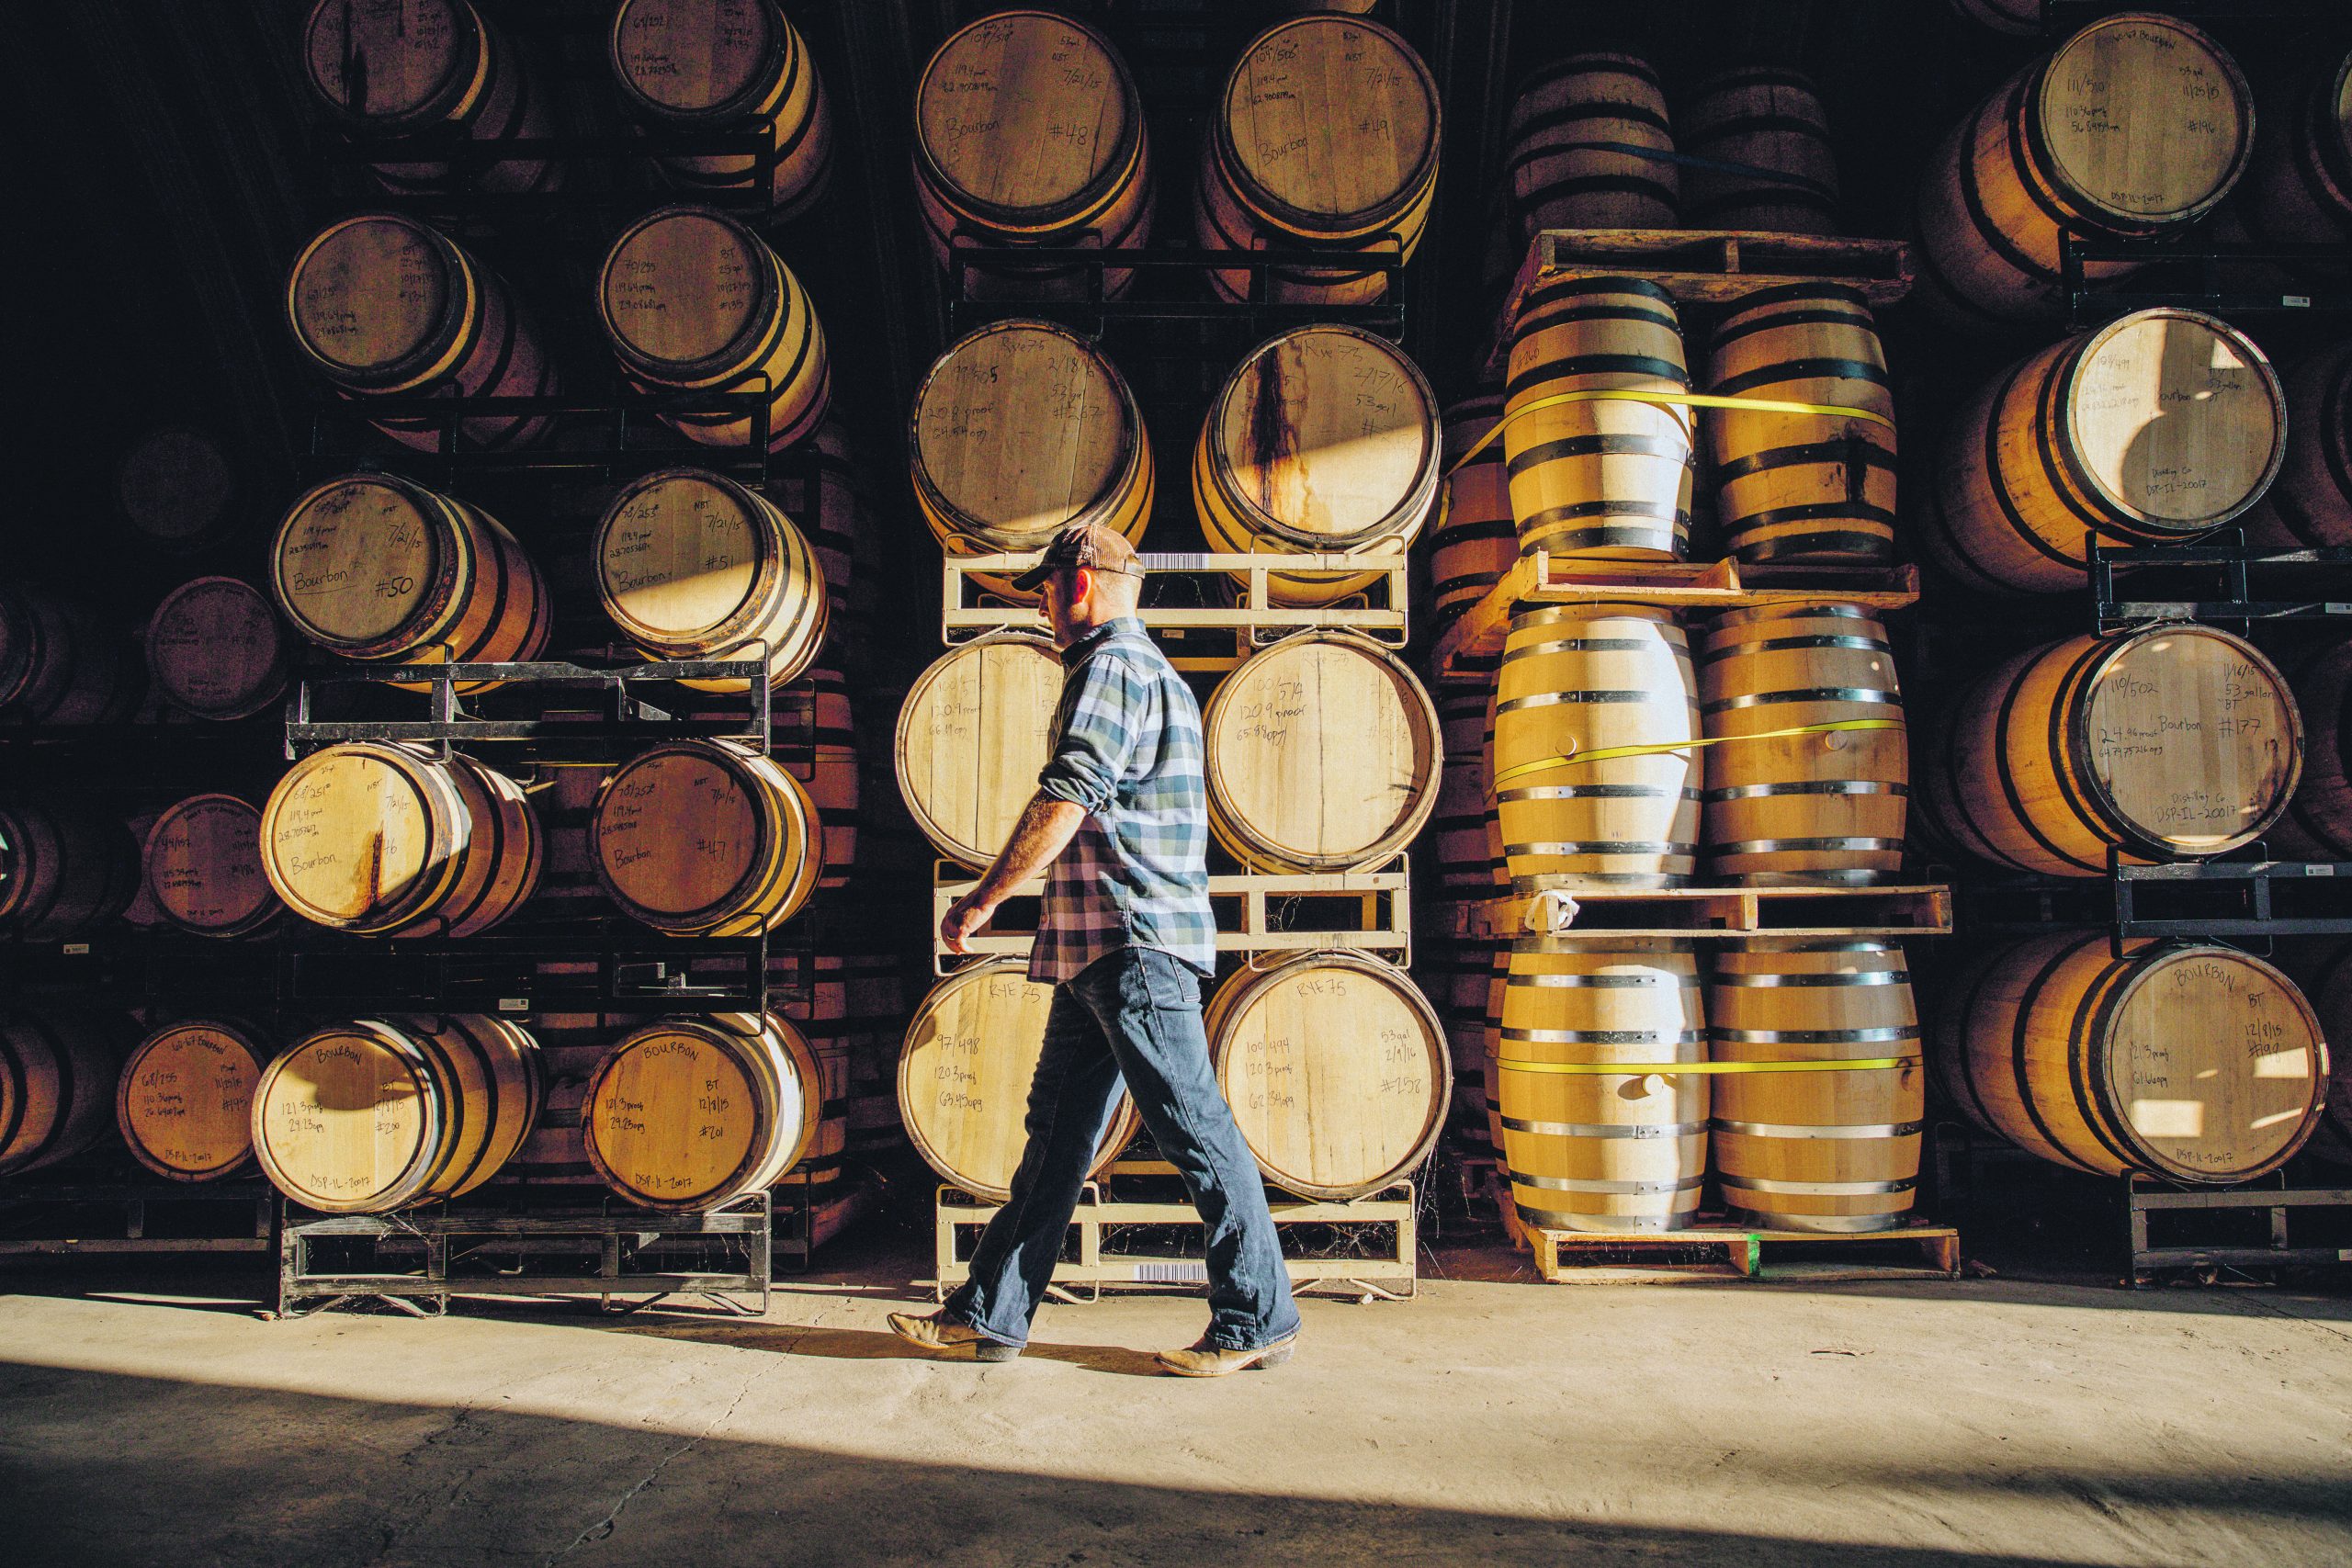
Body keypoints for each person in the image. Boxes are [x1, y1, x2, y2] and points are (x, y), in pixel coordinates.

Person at [888, 523, 1302, 1377]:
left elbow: (1071, 792)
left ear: (1079, 584)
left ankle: (1257, 1312)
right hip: (1095, 948)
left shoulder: (1112, 666)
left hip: (1131, 940)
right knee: (1057, 1138)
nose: (1041, 606)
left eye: (1044, 589)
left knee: (1193, 1124)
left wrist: (983, 897)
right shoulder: (1143, 671)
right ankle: (991, 1312)